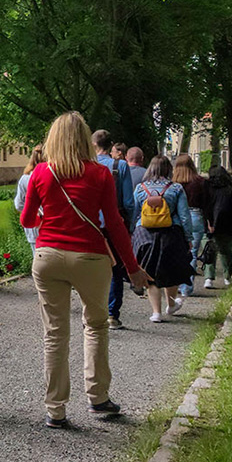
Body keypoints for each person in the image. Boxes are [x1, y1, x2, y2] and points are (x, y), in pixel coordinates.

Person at [20, 112, 148, 428]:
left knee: (55, 334)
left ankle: (56, 410)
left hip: (48, 256)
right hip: (90, 258)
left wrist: (47, 217)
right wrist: (132, 269)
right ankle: (98, 397)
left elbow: (27, 220)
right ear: (84, 140)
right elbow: (115, 224)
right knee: (96, 325)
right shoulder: (100, 174)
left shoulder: (41, 172)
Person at [131, 156, 194, 323]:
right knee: (170, 270)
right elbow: (185, 216)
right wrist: (188, 237)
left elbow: (135, 213)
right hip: (170, 233)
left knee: (149, 271)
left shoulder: (140, 188)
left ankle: (156, 312)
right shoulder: (176, 188)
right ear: (168, 169)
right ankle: (171, 305)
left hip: (145, 233)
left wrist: (132, 233)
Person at [92, 130, 135, 329]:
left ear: (93, 144)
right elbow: (128, 201)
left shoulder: (86, 165)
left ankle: (93, 311)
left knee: (91, 267)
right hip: (113, 223)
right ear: (111, 146)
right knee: (115, 269)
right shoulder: (120, 166)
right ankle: (112, 314)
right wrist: (131, 225)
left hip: (91, 225)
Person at [172, 154, 207, 297]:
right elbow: (206, 203)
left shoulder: (173, 184)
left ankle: (178, 283)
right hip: (196, 216)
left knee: (177, 252)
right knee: (192, 253)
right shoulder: (200, 182)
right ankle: (187, 287)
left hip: (178, 218)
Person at [14, 145, 45, 246]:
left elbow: (18, 204)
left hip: (33, 225)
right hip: (51, 226)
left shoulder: (25, 179)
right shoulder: (53, 177)